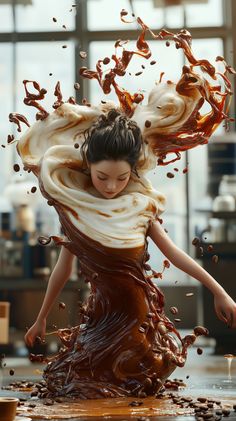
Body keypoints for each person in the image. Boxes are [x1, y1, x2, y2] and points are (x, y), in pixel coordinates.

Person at [23, 109, 236, 399]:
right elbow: (63, 269)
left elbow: (174, 255)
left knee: (124, 393)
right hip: (99, 321)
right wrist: (41, 318)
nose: (111, 187)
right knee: (78, 388)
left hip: (139, 323)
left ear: (132, 171)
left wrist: (219, 291)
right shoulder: (76, 211)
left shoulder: (141, 207)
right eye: (102, 177)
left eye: (121, 178)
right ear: (89, 167)